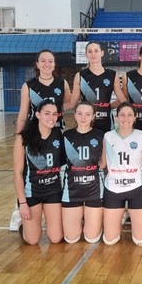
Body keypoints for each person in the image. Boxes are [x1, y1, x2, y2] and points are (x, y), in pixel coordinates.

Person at [10, 49, 72, 231]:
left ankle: (59, 206)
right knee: (27, 172)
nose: (47, 64)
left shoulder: (62, 83)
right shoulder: (29, 86)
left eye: (50, 61)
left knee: (56, 171)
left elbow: (68, 104)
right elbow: (23, 113)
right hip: (33, 135)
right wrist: (20, 139)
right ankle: (19, 209)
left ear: (54, 64)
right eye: (43, 61)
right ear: (37, 64)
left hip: (56, 132)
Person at [12, 100, 64, 245]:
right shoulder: (23, 138)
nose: (51, 117)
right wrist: (22, 202)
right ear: (38, 115)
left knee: (56, 238)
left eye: (54, 114)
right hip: (31, 192)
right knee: (32, 240)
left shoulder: (59, 135)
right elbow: (17, 172)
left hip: (53, 190)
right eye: (47, 113)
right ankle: (22, 223)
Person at [101, 102, 142, 246]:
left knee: (141, 240)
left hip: (137, 188)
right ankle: (120, 215)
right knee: (110, 240)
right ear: (116, 117)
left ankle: (129, 214)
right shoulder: (108, 136)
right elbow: (103, 163)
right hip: (113, 188)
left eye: (129, 115)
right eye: (122, 115)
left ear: (135, 118)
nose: (125, 118)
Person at [62, 102, 104, 243]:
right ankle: (79, 217)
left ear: (93, 116)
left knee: (91, 238)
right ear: (74, 115)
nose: (83, 117)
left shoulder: (101, 136)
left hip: (94, 190)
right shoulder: (66, 136)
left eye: (87, 114)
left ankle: (90, 219)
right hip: (72, 190)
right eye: (79, 113)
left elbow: (104, 163)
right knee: (71, 238)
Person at [70, 41, 126, 133]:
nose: (93, 54)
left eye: (96, 51)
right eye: (90, 51)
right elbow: (73, 103)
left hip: (106, 122)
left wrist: (108, 106)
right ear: (86, 54)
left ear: (102, 53)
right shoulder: (80, 76)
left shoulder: (112, 75)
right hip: (86, 122)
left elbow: (122, 100)